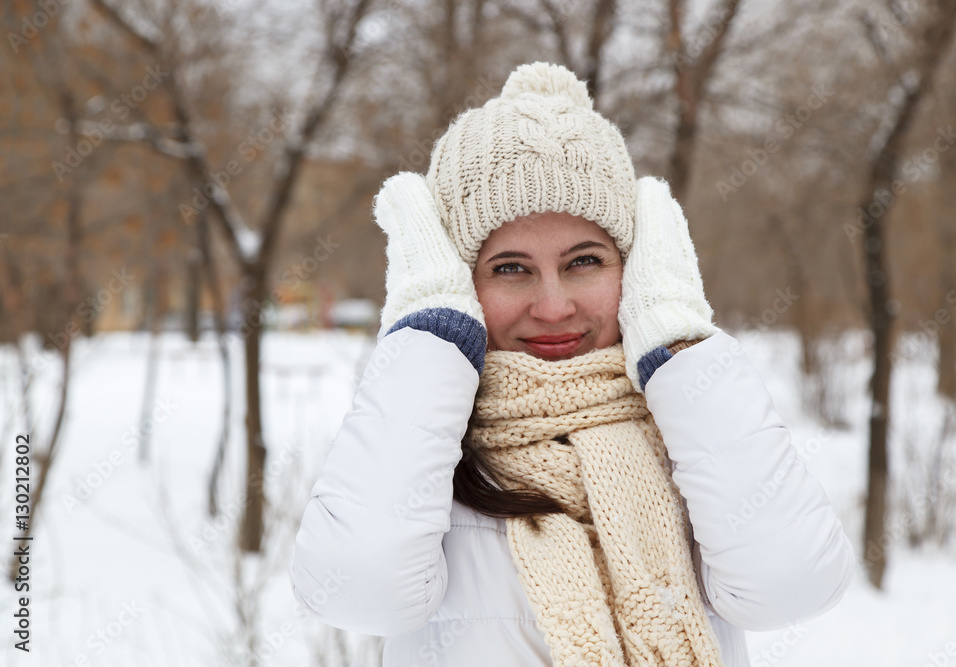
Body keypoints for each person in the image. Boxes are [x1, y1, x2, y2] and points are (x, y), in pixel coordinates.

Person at [290, 61, 854, 667]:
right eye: (510, 268)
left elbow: (791, 586)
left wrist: (681, 346)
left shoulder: (691, 428)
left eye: (584, 261)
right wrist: (430, 342)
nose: (554, 306)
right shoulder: (425, 445)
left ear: (632, 268)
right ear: (455, 281)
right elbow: (357, 591)